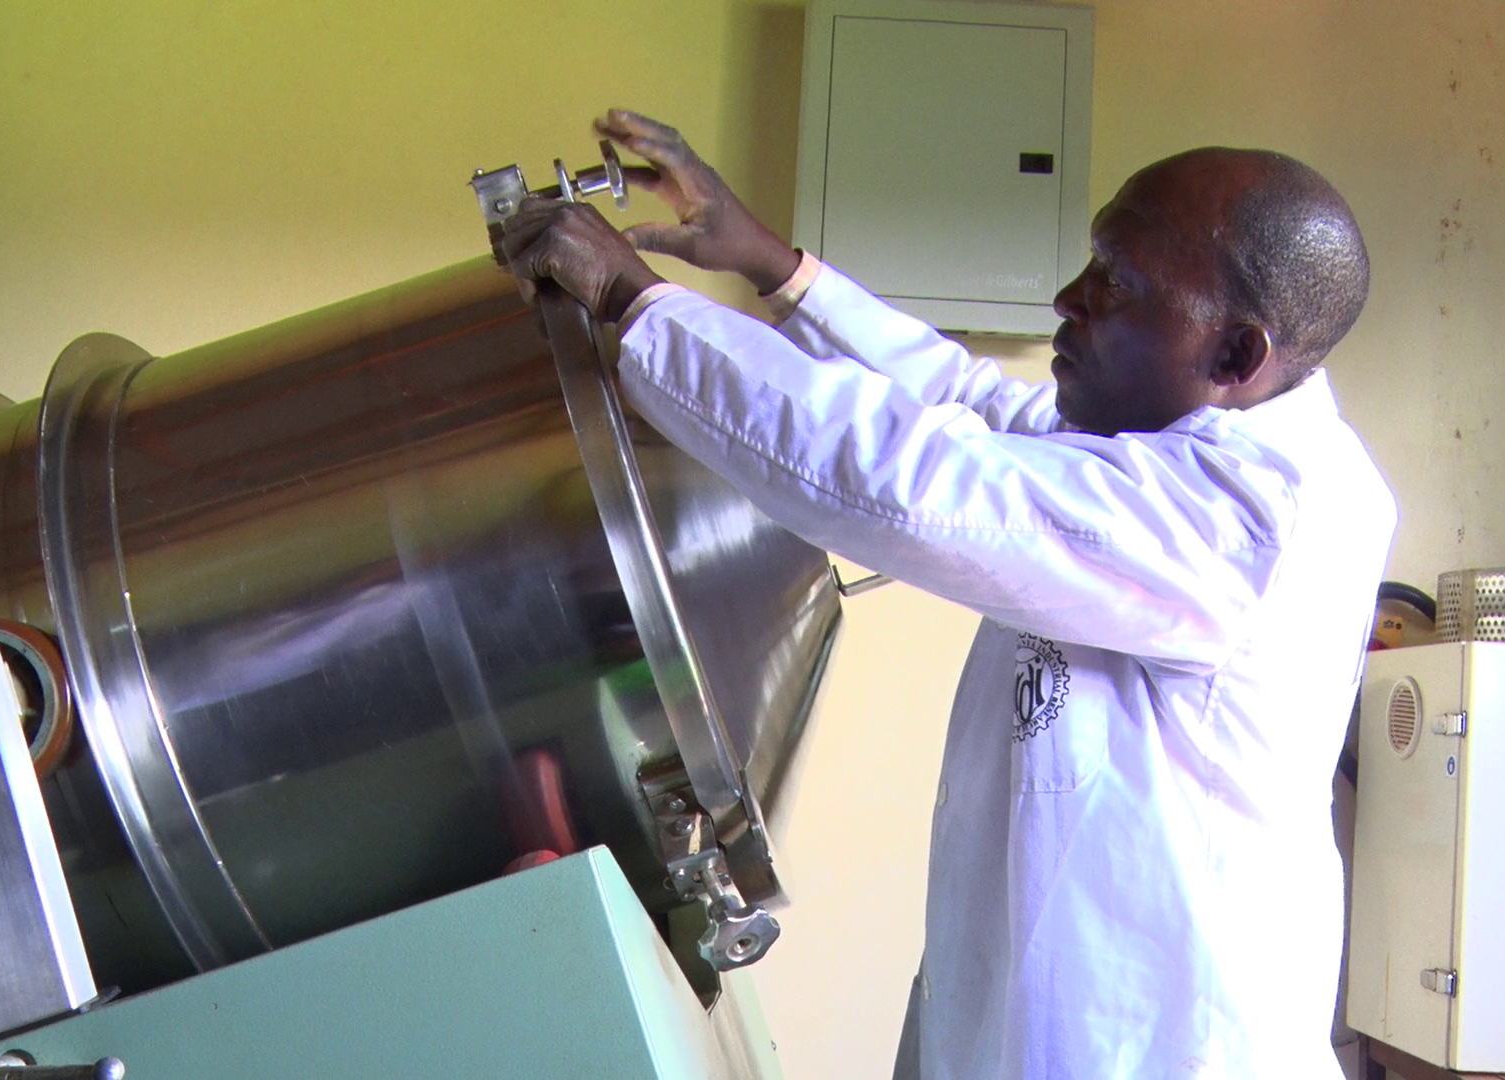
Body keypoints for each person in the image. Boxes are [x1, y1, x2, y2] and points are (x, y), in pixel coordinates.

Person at [502, 109, 1397, 1080]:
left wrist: (640, 303)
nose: (1068, 298)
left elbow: (920, 482)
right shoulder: (1180, 439)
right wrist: (776, 269)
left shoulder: (1246, 517)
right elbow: (969, 405)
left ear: (1233, 358)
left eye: (1116, 285)